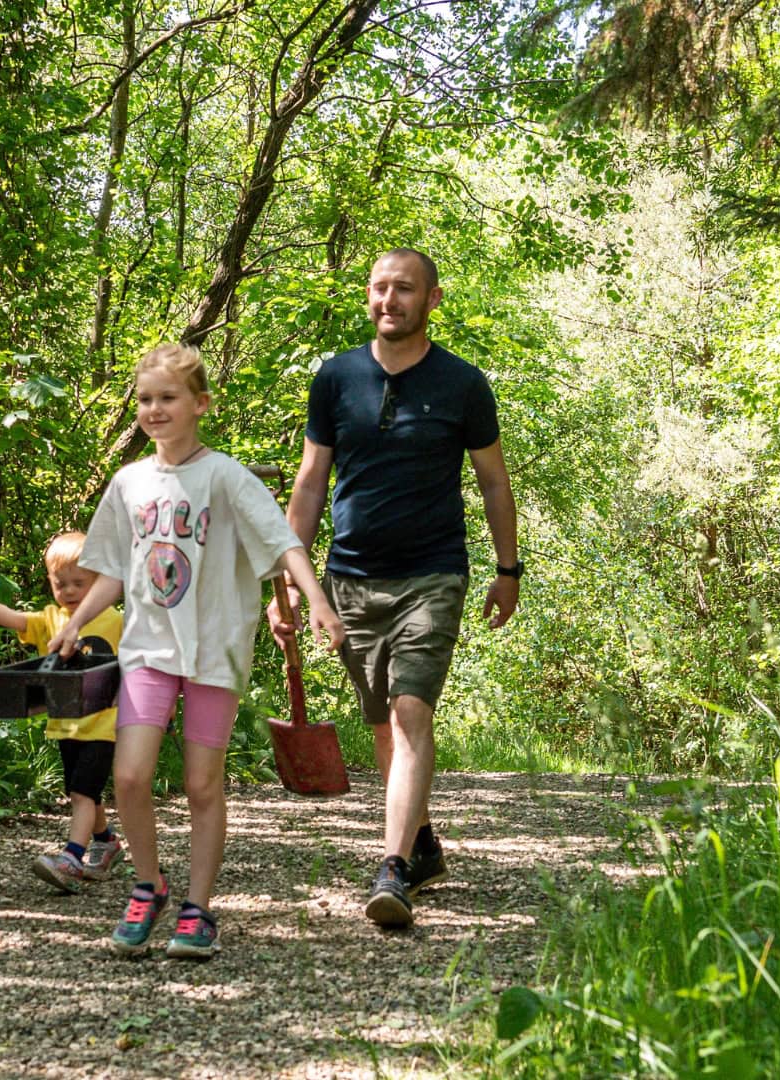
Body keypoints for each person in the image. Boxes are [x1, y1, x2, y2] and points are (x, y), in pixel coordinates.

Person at [48, 344, 345, 958]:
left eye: (168, 398)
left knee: (202, 783)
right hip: (149, 648)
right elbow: (110, 568)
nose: (154, 409)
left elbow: (283, 542)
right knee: (128, 775)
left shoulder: (225, 476)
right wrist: (75, 621)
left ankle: (199, 908)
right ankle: (148, 885)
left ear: (200, 404)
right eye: (146, 399)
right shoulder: (128, 482)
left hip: (214, 651)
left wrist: (314, 597)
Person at [271, 248, 520, 928]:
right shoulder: (336, 378)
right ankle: (422, 843)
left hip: (433, 573)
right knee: (381, 722)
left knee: (411, 714)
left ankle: (392, 869)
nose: (390, 300)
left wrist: (507, 570)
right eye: (380, 288)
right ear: (368, 297)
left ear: (432, 299)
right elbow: (310, 483)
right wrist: (288, 582)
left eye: (404, 289)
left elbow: (494, 481)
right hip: (350, 576)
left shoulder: (463, 384)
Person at [0, 531, 128, 893]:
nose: (70, 591)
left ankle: (72, 857)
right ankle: (107, 841)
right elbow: (16, 620)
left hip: (104, 726)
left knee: (82, 795)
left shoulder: (115, 621)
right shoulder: (52, 620)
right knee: (83, 790)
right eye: (61, 584)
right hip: (65, 725)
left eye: (79, 583)